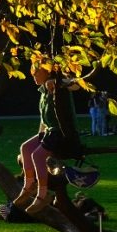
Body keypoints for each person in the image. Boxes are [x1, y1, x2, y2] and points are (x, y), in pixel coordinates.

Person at [10, 63, 83, 215]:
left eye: (36, 72)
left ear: (47, 72)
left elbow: (77, 85)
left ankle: (43, 194)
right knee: (25, 148)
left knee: (37, 156)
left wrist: (58, 83)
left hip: (61, 133)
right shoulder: (43, 91)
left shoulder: (58, 87)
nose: (33, 76)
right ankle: (29, 185)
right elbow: (43, 121)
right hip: (49, 131)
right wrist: (39, 137)